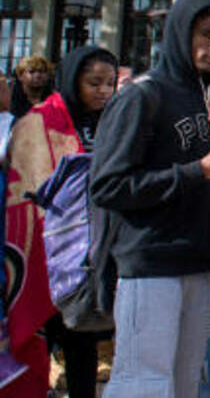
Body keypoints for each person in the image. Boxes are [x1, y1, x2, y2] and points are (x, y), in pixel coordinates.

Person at [90, 0, 210, 398]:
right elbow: (107, 185)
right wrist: (199, 171)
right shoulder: (141, 96)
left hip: (202, 262)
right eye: (206, 34)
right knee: (144, 382)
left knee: (186, 380)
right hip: (151, 261)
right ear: (180, 33)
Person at [4, 46, 118, 397]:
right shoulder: (37, 122)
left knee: (83, 344)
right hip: (43, 250)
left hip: (91, 255)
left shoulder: (114, 120)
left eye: (110, 83)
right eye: (94, 83)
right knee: (42, 337)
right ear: (73, 80)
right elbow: (21, 188)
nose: (103, 91)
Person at [11, 55, 53, 120]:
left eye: (41, 71)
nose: (37, 75)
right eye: (31, 72)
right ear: (20, 76)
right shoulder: (10, 101)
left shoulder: (55, 102)